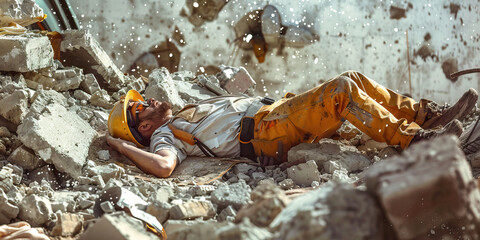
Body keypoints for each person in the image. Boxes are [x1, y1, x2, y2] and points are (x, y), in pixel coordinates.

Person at [106, 71, 478, 178]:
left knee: (353, 79)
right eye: (139, 109)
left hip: (275, 115)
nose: (147, 101)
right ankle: (419, 142)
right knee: (341, 91)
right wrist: (122, 147)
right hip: (268, 132)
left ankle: (427, 115)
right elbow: (164, 168)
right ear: (144, 130)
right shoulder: (166, 137)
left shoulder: (181, 112)